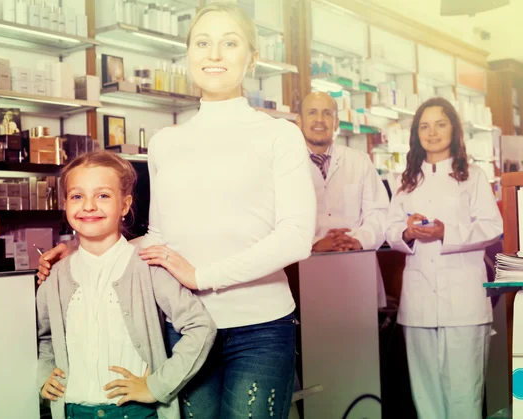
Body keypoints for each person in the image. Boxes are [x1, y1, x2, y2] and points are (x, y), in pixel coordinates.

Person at [37, 3, 316, 418]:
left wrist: (202, 276)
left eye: (229, 43)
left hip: (261, 327)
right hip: (183, 326)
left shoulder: (280, 135)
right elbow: (160, 238)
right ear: (188, 56)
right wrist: (85, 252)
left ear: (251, 58)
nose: (214, 54)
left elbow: (296, 237)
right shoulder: (167, 142)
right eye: (202, 43)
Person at [37, 151, 216, 419]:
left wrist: (158, 386)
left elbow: (200, 327)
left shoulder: (148, 266)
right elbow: (44, 337)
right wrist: (43, 375)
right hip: (74, 411)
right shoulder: (55, 276)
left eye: (103, 196)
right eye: (77, 196)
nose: (88, 206)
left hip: (136, 413)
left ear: (125, 205)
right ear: (65, 204)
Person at [385, 97, 503, 419]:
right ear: (415, 133)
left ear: (454, 128)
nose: (432, 132)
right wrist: (408, 232)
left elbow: (492, 227)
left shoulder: (473, 176)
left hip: (464, 303)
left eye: (440, 124)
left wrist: (445, 233)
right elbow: (391, 231)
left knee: (465, 396)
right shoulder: (406, 180)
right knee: (426, 398)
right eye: (424, 126)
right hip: (419, 303)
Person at [297, 91, 389, 307]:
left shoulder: (359, 161)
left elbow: (380, 213)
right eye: (312, 113)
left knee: (360, 336)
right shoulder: (286, 164)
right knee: (314, 336)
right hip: (307, 270)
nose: (320, 120)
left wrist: (357, 240)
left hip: (357, 267)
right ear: (299, 120)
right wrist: (315, 244)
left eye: (327, 113)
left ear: (336, 122)